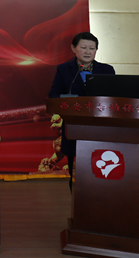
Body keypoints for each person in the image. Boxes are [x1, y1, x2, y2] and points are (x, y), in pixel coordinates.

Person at [48, 31, 115, 190]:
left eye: (92, 48)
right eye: (83, 47)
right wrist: (71, 101)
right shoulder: (64, 69)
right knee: (75, 170)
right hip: (74, 125)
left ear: (96, 50)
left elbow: (115, 97)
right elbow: (54, 95)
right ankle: (76, 195)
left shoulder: (107, 70)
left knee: (99, 164)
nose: (88, 52)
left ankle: (100, 193)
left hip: (100, 126)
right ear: (73, 48)